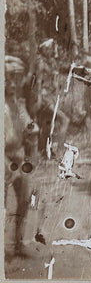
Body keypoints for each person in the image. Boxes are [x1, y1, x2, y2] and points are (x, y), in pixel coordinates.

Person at [5, 56, 33, 258]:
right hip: (3, 157)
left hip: (18, 155)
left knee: (24, 200)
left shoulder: (17, 104)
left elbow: (29, 126)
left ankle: (18, 243)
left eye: (15, 79)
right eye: (8, 79)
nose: (12, 84)